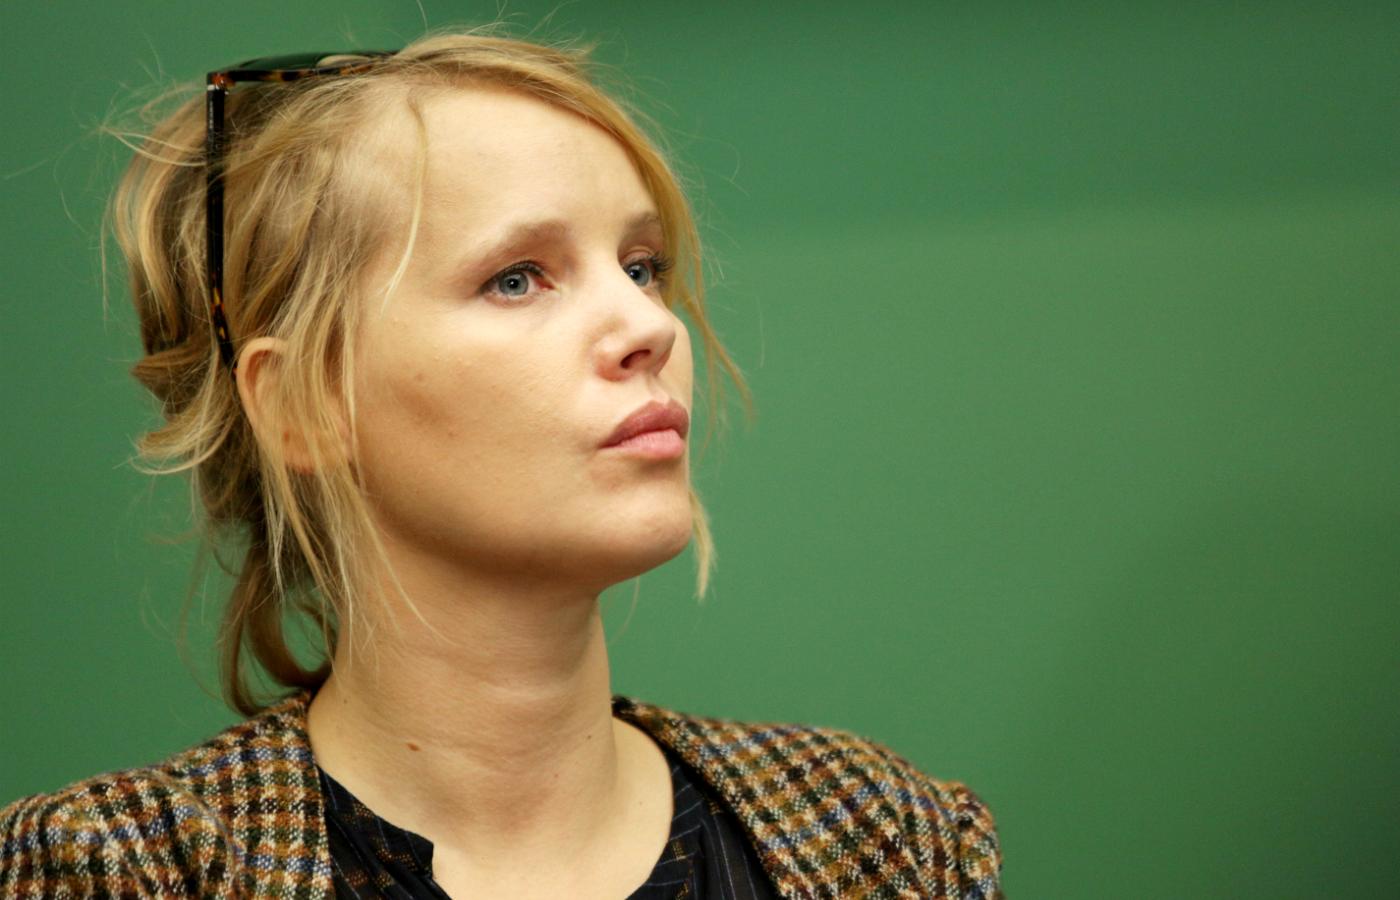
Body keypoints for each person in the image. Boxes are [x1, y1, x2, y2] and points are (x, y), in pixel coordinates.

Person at [0, 28, 1003, 899]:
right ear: (304, 403)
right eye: (517, 278)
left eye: (642, 266)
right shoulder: (116, 871)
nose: (648, 326)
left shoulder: (888, 840)